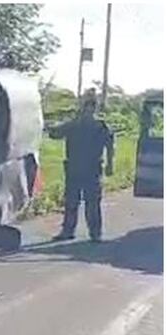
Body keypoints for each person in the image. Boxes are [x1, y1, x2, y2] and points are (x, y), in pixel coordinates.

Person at [47, 92, 115, 242]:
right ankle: (70, 231)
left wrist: (110, 164)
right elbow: (54, 134)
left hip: (90, 168)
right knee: (72, 201)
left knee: (91, 202)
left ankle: (94, 233)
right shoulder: (75, 124)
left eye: (91, 105)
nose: (88, 109)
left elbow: (110, 147)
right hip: (76, 168)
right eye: (87, 105)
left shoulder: (98, 126)